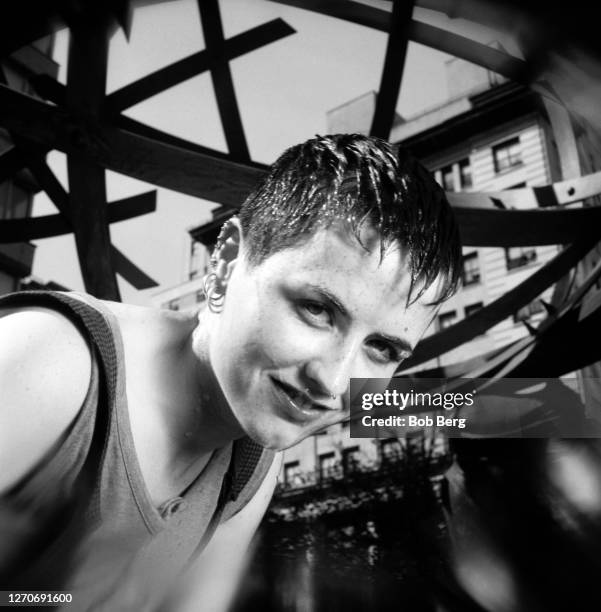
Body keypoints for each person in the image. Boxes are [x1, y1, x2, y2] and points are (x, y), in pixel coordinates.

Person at [0, 133, 461, 610]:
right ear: (223, 266)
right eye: (317, 310)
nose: (334, 382)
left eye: (383, 348)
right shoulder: (50, 361)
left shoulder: (256, 453)